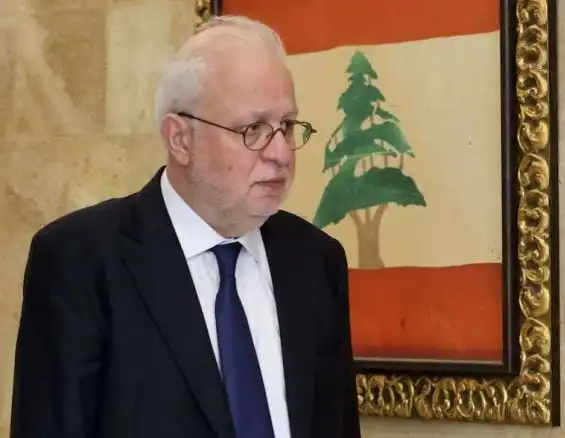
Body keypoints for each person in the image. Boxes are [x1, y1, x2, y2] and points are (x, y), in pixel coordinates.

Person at [9, 15, 361, 438]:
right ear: (180, 139)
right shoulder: (80, 262)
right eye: (254, 129)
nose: (281, 153)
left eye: (286, 126)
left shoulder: (315, 260)